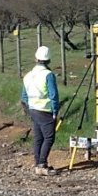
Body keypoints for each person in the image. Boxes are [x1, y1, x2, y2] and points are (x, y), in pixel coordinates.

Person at [21, 45, 60, 176]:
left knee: (38, 138)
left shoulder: (28, 76)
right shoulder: (48, 75)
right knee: (49, 137)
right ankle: (42, 165)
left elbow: (24, 96)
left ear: (35, 59)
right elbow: (53, 95)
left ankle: (38, 163)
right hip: (45, 109)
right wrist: (55, 111)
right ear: (49, 60)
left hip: (33, 109)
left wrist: (30, 107)